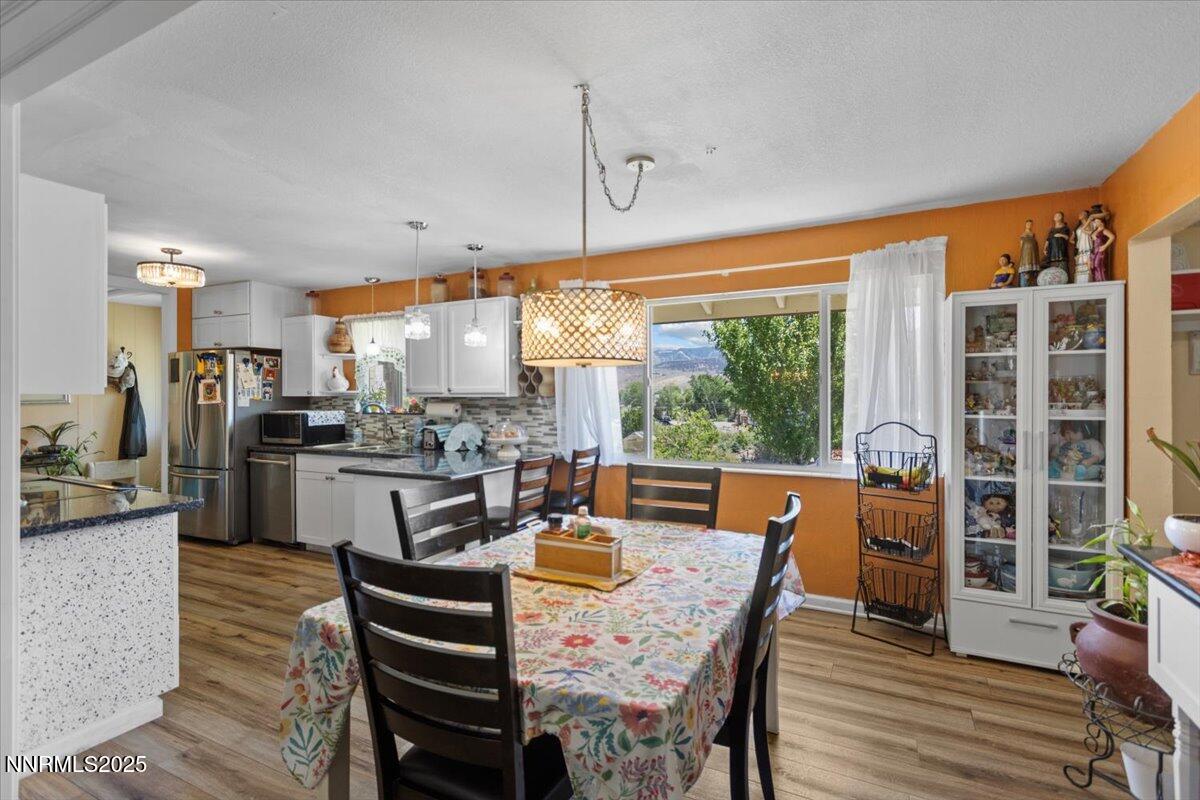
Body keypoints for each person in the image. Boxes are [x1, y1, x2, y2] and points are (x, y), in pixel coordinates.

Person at [1090, 217, 1115, 282]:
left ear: (1101, 222)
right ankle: (1097, 280)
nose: (1095, 223)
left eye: (1097, 221)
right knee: (1093, 266)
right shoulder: (1095, 231)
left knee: (1098, 265)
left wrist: (1105, 246)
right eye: (1095, 222)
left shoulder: (1104, 230)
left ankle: (1102, 280)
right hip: (1094, 250)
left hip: (1100, 250)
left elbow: (1112, 237)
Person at [1017, 219, 1040, 287]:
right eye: (1028, 224)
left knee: (1033, 272)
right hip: (1026, 255)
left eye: (1030, 224)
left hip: (1033, 254)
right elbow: (1021, 246)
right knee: (1025, 272)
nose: (1029, 225)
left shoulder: (1033, 234)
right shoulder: (1023, 234)